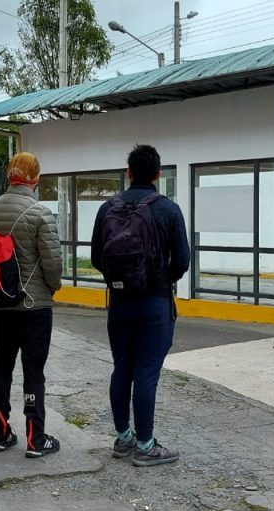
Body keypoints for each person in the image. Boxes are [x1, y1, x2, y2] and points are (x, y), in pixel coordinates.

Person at [91, 144, 190, 467]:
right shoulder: (168, 209)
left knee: (122, 367)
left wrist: (119, 280)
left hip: (119, 302)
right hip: (154, 303)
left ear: (129, 173)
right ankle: (146, 445)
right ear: (158, 174)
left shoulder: (108, 208)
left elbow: (96, 258)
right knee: (146, 372)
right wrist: (159, 280)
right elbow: (183, 261)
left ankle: (123, 438)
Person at [0, 152, 63, 457]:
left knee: (2, 364)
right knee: (33, 369)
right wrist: (51, 288)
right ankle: (35, 437)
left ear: (9, 176)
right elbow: (52, 263)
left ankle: (0, 431)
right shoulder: (40, 213)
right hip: (34, 306)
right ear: (35, 179)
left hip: (2, 303)